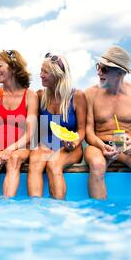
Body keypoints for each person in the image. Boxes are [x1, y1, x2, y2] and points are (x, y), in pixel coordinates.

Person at [84, 46, 131, 202]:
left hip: (129, 145)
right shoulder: (90, 94)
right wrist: (101, 145)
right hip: (100, 145)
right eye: (98, 67)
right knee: (97, 166)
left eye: (104, 69)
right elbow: (89, 132)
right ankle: (99, 215)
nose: (99, 72)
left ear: (120, 73)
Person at [27, 53, 86, 200]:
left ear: (57, 75)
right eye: (41, 70)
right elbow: (33, 126)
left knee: (54, 164)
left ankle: (59, 210)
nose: (40, 75)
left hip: (70, 146)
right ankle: (35, 209)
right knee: (34, 164)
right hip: (46, 144)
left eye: (45, 72)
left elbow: (82, 130)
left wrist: (74, 143)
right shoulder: (40, 95)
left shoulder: (77, 96)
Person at [0, 50, 39, 198]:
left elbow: (30, 133)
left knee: (14, 160)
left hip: (20, 145)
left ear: (13, 68)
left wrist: (10, 149)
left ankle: (7, 205)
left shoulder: (30, 96)